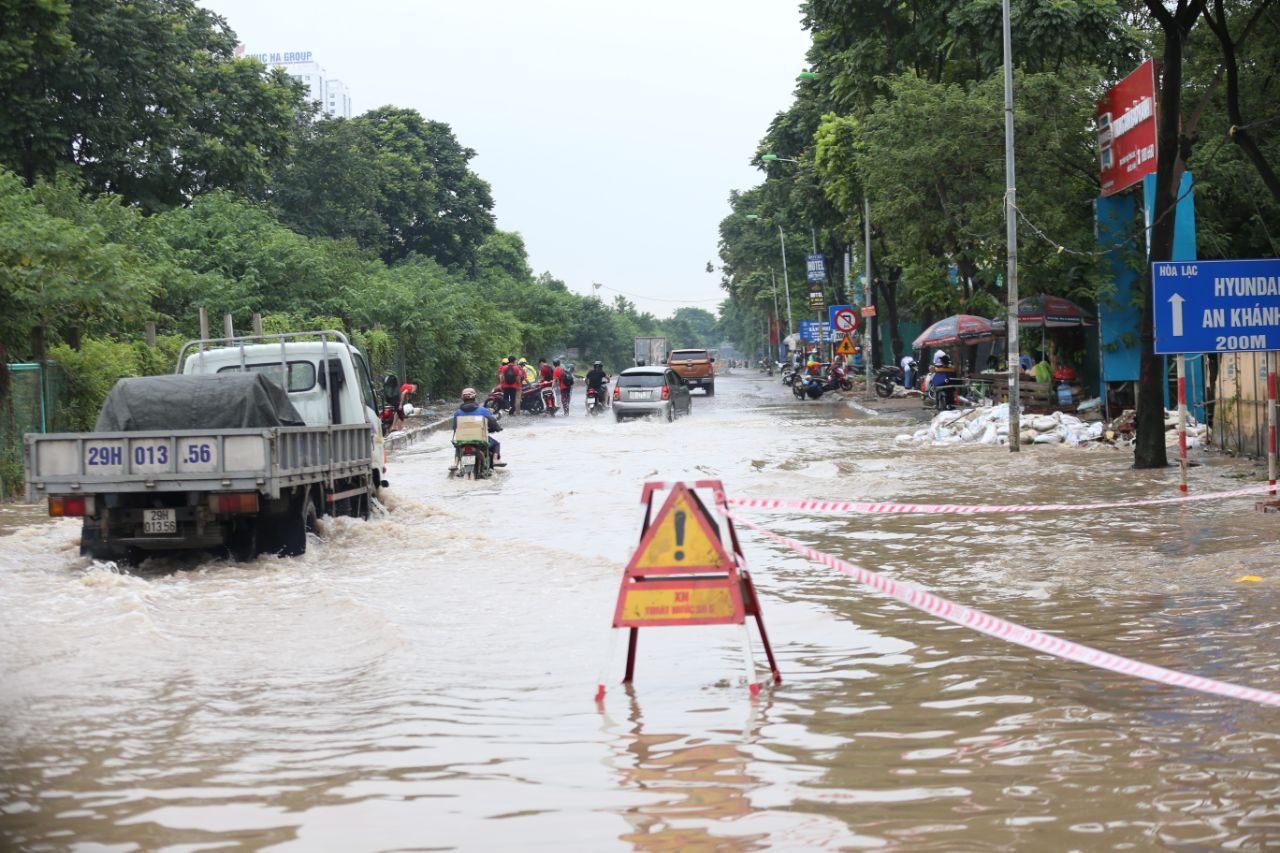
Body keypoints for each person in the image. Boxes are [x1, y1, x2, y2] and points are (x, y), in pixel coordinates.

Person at [450, 388, 503, 469]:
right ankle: (495, 460)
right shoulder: (483, 410)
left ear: (462, 398)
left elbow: (455, 427)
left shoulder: (457, 412)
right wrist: (498, 428)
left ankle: (455, 463)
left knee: (458, 446)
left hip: (463, 439)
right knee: (496, 444)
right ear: (474, 397)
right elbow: (492, 421)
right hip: (480, 439)